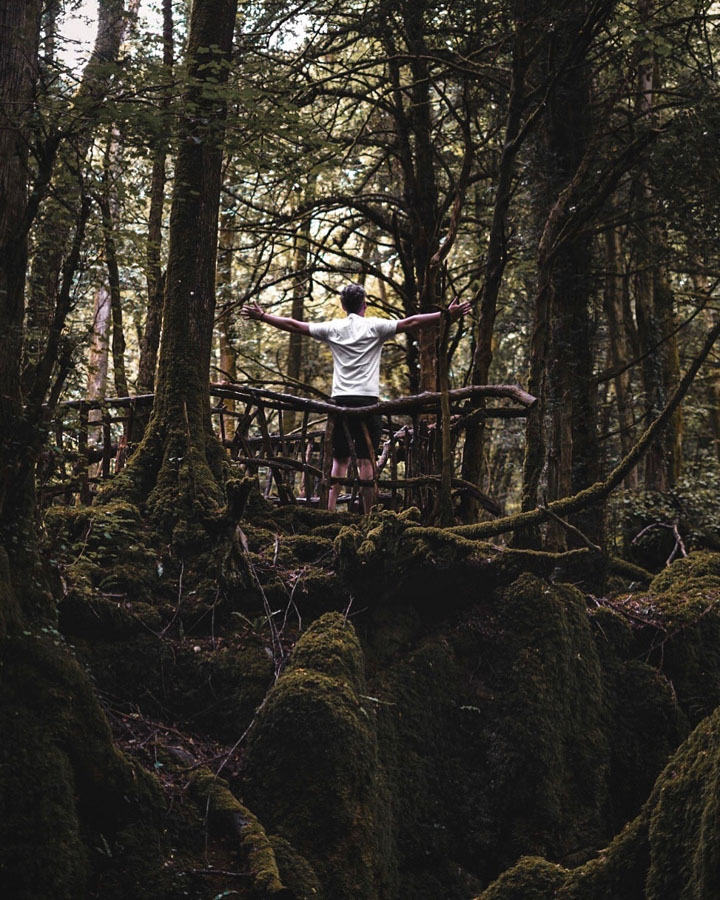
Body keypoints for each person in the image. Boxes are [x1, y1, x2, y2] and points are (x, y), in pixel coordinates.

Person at [242, 283, 471, 513]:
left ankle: (328, 511)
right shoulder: (375, 326)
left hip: (340, 402)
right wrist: (446, 314)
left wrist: (262, 316)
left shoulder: (333, 328)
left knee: (339, 461)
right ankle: (369, 513)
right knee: (366, 460)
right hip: (367, 403)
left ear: (343, 306)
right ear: (365, 305)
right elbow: (411, 322)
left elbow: (295, 325)